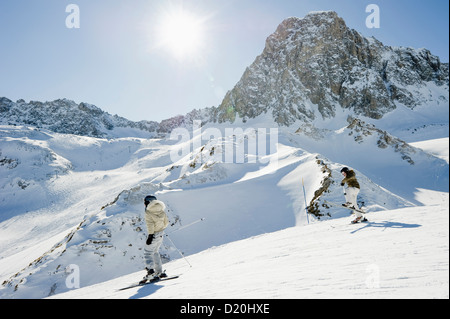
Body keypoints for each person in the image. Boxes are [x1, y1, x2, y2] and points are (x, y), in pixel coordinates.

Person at [141, 195, 169, 283]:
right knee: (155, 252)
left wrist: (150, 236)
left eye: (145, 202)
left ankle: (151, 272)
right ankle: (159, 272)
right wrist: (160, 229)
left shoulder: (148, 212)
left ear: (148, 202)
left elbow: (150, 225)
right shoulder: (161, 210)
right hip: (161, 234)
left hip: (153, 235)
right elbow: (166, 223)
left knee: (148, 252)